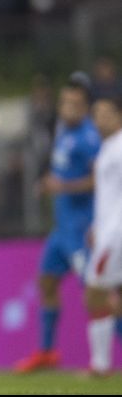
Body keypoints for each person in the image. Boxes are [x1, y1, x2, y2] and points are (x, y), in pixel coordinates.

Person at [15, 74, 100, 373]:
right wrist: (47, 182)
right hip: (61, 229)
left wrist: (62, 186)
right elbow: (62, 170)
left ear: (86, 107)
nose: (68, 108)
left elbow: (100, 180)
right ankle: (47, 352)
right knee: (47, 282)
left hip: (81, 229)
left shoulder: (90, 138)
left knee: (97, 295)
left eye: (75, 104)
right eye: (65, 102)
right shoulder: (63, 130)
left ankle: (101, 358)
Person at [84, 95, 122, 376]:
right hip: (107, 230)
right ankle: (100, 364)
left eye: (106, 113)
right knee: (105, 294)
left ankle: (100, 365)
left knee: (95, 291)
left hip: (116, 234)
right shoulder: (108, 148)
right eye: (96, 114)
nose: (99, 120)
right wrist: (97, 225)